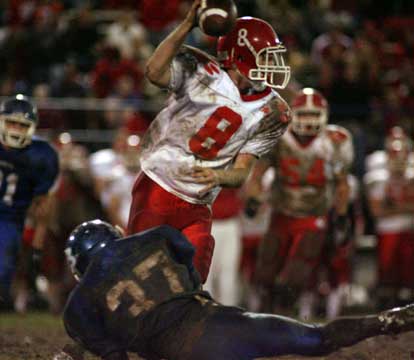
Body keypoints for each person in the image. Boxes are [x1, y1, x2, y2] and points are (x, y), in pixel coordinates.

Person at [57, 219, 414, 360]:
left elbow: (116, 357)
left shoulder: (78, 308)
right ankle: (387, 320)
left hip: (178, 352)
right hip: (224, 325)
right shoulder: (154, 237)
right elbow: (186, 256)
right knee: (316, 340)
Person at [127, 0, 292, 283]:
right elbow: (154, 71)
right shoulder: (200, 71)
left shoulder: (273, 112)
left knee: (192, 278)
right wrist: (187, 25)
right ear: (242, 56)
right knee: (139, 272)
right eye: (265, 56)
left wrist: (218, 176)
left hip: (198, 202)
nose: (273, 64)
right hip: (159, 186)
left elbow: (241, 173)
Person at [246, 88, 354, 318]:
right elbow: (257, 174)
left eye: (314, 115)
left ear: (324, 115)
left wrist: (342, 215)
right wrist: (254, 197)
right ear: (292, 113)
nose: (308, 120)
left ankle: (282, 314)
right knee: (265, 270)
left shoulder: (335, 140)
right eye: (303, 114)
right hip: (282, 211)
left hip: (315, 214)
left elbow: (342, 184)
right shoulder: (277, 135)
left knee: (297, 273)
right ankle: (259, 312)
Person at [0, 94, 59, 307]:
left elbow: (43, 206)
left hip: (10, 219)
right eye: (11, 123)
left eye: (22, 125)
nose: (16, 130)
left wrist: (36, 249)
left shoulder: (42, 155)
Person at [364, 126, 414, 309]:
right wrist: (406, 208)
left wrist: (394, 207)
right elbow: (377, 211)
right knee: (387, 276)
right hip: (387, 231)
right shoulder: (379, 177)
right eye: (394, 153)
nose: (399, 159)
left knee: (408, 279)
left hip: (409, 231)